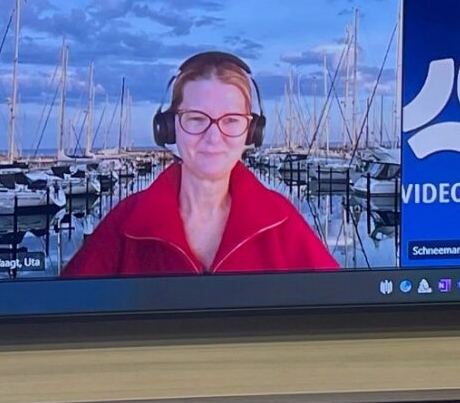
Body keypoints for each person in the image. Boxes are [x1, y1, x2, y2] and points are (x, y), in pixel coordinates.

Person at [62, 52, 337, 276]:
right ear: (169, 128)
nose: (213, 137)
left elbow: (337, 315)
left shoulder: (282, 222)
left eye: (231, 120)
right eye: (196, 118)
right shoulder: (125, 222)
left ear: (251, 132)